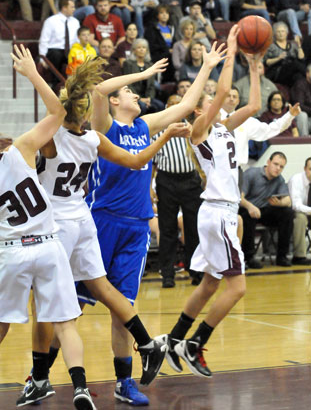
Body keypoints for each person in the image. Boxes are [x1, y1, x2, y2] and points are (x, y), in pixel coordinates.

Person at [22, 57, 194, 405]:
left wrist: (33, 74)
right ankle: (146, 342)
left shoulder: (49, 138)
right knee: (100, 290)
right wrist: (165, 136)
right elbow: (134, 160)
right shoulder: (94, 139)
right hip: (87, 220)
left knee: (52, 310)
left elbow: (57, 109)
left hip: (58, 225)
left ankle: (42, 378)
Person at [84, 41, 226, 405]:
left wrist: (207, 66)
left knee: (123, 308)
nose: (136, 94)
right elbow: (99, 90)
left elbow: (184, 106)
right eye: (129, 92)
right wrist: (145, 73)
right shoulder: (103, 124)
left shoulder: (145, 125)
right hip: (101, 223)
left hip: (137, 226)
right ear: (117, 101)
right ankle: (39, 372)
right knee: (73, 304)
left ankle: (123, 382)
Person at [155, 24, 262, 377]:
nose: (219, 102)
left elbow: (254, 104)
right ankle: (196, 343)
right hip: (217, 213)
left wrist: (255, 65)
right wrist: (230, 54)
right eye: (211, 102)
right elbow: (226, 90)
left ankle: (174, 339)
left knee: (210, 284)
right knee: (239, 287)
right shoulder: (200, 130)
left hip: (218, 213)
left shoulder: (224, 128)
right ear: (201, 110)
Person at [2, 44, 96, 410]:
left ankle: (40, 383)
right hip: (49, 243)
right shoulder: (21, 149)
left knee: (2, 324)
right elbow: (58, 111)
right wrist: (31, 74)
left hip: (12, 251)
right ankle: (81, 387)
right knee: (65, 324)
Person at [152, 94, 203, 288]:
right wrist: (149, 187)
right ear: (166, 107)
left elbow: (200, 157)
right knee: (167, 230)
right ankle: (167, 274)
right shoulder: (158, 130)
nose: (175, 107)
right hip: (166, 182)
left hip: (191, 181)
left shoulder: (192, 128)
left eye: (179, 105)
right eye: (172, 104)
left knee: (194, 229)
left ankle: (196, 271)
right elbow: (152, 162)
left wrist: (203, 178)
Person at [240, 152, 295, 268]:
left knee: (288, 213)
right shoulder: (252, 173)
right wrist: (251, 207)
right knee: (247, 216)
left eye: (281, 167)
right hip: (247, 208)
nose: (278, 168)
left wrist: (280, 203)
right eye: (276, 164)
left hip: (265, 210)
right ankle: (249, 257)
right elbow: (239, 198)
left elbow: (288, 200)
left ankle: (282, 256)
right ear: (268, 162)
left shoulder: (279, 179)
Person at [39, 0, 80, 84]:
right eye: (72, 7)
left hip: (70, 50)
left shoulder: (75, 22)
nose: (74, 9)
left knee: (78, 56)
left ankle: (76, 85)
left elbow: (77, 40)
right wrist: (43, 59)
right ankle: (55, 84)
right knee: (56, 55)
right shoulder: (51, 21)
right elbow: (44, 40)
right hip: (55, 50)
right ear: (64, 8)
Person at [122, 38, 165, 114]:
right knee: (142, 107)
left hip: (147, 97)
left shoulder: (150, 65)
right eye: (139, 47)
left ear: (147, 50)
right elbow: (129, 84)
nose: (141, 50)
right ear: (134, 50)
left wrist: (149, 98)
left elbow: (152, 85)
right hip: (133, 95)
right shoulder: (128, 64)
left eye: (144, 47)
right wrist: (140, 99)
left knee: (160, 106)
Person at [264, 21, 305, 87]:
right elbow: (266, 62)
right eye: (278, 32)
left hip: (291, 72)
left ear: (286, 33)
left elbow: (301, 58)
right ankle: (308, 74)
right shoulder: (271, 46)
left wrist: (299, 46)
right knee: (295, 63)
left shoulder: (293, 45)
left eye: (283, 31)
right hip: (278, 72)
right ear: (274, 34)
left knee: (299, 77)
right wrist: (278, 58)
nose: (281, 34)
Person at [144, 4, 176, 83]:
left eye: (166, 13)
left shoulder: (171, 28)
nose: (164, 15)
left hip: (170, 55)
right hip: (157, 55)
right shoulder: (152, 28)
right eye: (162, 13)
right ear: (157, 15)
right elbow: (151, 45)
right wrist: (167, 50)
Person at [288, 158, 311, 265]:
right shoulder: (296, 179)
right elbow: (296, 205)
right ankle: (299, 256)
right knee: (300, 218)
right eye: (310, 169)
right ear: (305, 169)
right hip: (297, 212)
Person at [291, 64, 311, 136]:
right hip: (298, 116)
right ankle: (304, 140)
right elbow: (300, 105)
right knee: (303, 115)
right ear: (307, 73)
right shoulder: (300, 84)